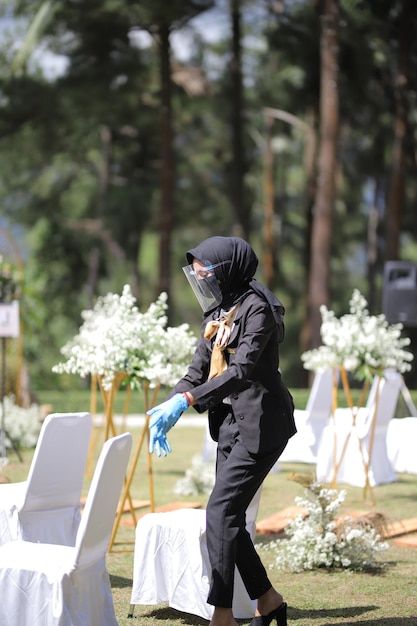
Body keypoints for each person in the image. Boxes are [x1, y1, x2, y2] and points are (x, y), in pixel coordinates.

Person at [148, 236, 296, 626]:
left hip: (263, 424)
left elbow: (241, 370)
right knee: (228, 517)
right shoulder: (217, 309)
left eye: (206, 273)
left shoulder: (257, 309)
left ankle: (223, 614)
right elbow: (199, 368)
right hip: (230, 426)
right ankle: (269, 601)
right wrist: (174, 401)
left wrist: (190, 400)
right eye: (197, 276)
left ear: (228, 269)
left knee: (220, 511)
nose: (202, 281)